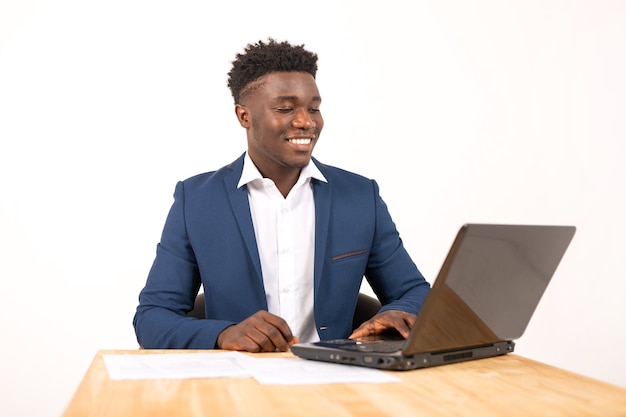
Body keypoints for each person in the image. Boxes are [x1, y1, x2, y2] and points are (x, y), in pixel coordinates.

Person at [133, 39, 430, 352]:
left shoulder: (359, 196)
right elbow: (152, 318)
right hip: (238, 384)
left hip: (335, 379)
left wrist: (396, 313)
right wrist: (224, 334)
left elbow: (415, 291)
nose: (305, 121)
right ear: (244, 116)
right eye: (285, 108)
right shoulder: (197, 201)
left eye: (313, 108)